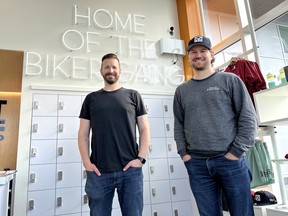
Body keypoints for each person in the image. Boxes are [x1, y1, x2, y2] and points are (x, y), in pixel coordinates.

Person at [173, 36, 258, 216]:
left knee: (242, 213)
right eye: (193, 52)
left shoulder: (230, 80)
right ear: (188, 57)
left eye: (203, 51)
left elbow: (248, 118)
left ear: (211, 54)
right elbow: (179, 124)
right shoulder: (182, 90)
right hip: (197, 164)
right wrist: (184, 153)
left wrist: (235, 152)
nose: (198, 55)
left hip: (230, 161)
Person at [78, 53, 150, 216]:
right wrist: (86, 162)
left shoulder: (133, 95)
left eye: (114, 67)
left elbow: (145, 129)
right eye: (107, 67)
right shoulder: (91, 99)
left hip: (130, 171)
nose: (111, 70)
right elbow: (83, 133)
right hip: (99, 172)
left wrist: (140, 159)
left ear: (120, 71)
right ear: (101, 71)